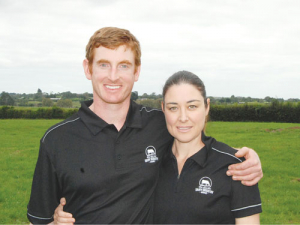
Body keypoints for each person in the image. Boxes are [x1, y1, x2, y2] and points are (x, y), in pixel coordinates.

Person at [27, 27, 263, 224]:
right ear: (88, 68)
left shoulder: (158, 123)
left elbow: (193, 134)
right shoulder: (57, 139)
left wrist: (247, 159)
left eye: (124, 65)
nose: (113, 76)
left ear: (136, 71)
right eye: (103, 64)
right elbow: (39, 219)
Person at [153, 71, 261, 224]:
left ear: (206, 106)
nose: (183, 118)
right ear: (163, 108)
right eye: (173, 108)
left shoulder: (237, 168)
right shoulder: (150, 161)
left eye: (192, 106)